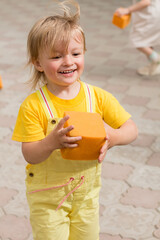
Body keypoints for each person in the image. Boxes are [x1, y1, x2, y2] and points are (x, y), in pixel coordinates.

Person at [12, 1, 138, 239]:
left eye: (75, 53)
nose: (68, 61)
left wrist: (114, 136)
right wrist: (51, 142)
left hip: (87, 197)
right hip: (47, 198)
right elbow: (29, 153)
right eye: (56, 56)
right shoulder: (34, 105)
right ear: (38, 63)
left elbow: (131, 129)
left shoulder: (97, 97)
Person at [115, 0, 160, 76]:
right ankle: (153, 65)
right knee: (146, 41)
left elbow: (146, 2)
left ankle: (156, 59)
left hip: (150, 15)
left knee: (137, 41)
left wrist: (127, 10)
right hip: (153, 12)